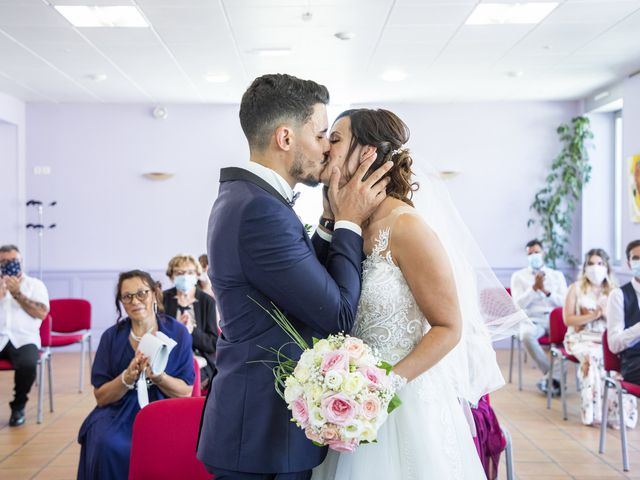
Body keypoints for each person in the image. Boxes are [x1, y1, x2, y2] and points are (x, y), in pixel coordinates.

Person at [197, 74, 392, 480]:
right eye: (321, 134)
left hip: (258, 427)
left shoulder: (248, 197)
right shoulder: (259, 211)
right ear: (285, 138)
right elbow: (336, 313)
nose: (326, 146)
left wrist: (327, 221)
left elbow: (295, 286)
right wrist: (350, 221)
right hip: (258, 435)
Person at [312, 108, 525, 479]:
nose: (326, 149)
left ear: (367, 153)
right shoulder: (350, 224)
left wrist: (384, 386)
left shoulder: (406, 226)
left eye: (335, 139)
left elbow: (448, 326)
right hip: (348, 402)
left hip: (403, 402)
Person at [77, 270, 194, 480]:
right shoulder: (111, 337)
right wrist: (126, 378)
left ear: (155, 294)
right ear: (121, 302)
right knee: (107, 444)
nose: (135, 301)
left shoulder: (178, 333)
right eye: (127, 296)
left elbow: (185, 392)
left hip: (163, 406)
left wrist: (159, 377)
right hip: (119, 408)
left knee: (166, 445)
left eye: (142, 293)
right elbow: (101, 396)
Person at [564, 249, 636, 427]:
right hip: (581, 337)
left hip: (605, 338)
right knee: (595, 357)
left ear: (607, 267)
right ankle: (593, 413)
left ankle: (616, 414)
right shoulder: (576, 289)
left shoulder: (614, 291)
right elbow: (568, 320)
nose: (595, 268)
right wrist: (593, 315)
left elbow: (622, 323)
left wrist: (605, 315)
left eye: (600, 264)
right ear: (585, 267)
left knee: (617, 359)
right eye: (591, 264)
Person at [0, 244, 49, 427]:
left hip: (24, 338)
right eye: (3, 261)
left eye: (13, 261)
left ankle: (18, 406)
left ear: (21, 261)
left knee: (28, 364)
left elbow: (42, 313)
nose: (9, 264)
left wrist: (17, 294)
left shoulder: (35, 285)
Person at [510, 239, 568, 395]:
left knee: (569, 340)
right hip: (532, 319)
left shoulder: (557, 276)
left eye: (536, 252)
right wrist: (534, 289)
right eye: (530, 253)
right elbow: (518, 305)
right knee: (526, 336)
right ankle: (552, 376)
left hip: (555, 319)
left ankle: (551, 380)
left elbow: (564, 302)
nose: (533, 256)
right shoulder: (518, 277)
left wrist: (546, 292)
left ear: (543, 253)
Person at [163, 254, 218, 388]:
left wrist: (191, 330)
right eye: (179, 273)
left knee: (190, 377)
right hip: (169, 358)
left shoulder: (207, 301)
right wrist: (177, 330)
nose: (185, 276)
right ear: (171, 276)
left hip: (200, 360)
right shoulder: (163, 299)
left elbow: (213, 344)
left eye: (190, 272)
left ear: (197, 275)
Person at [608, 240, 640, 385]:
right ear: (629, 263)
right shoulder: (618, 295)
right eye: (636, 258)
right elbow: (614, 344)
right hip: (634, 363)